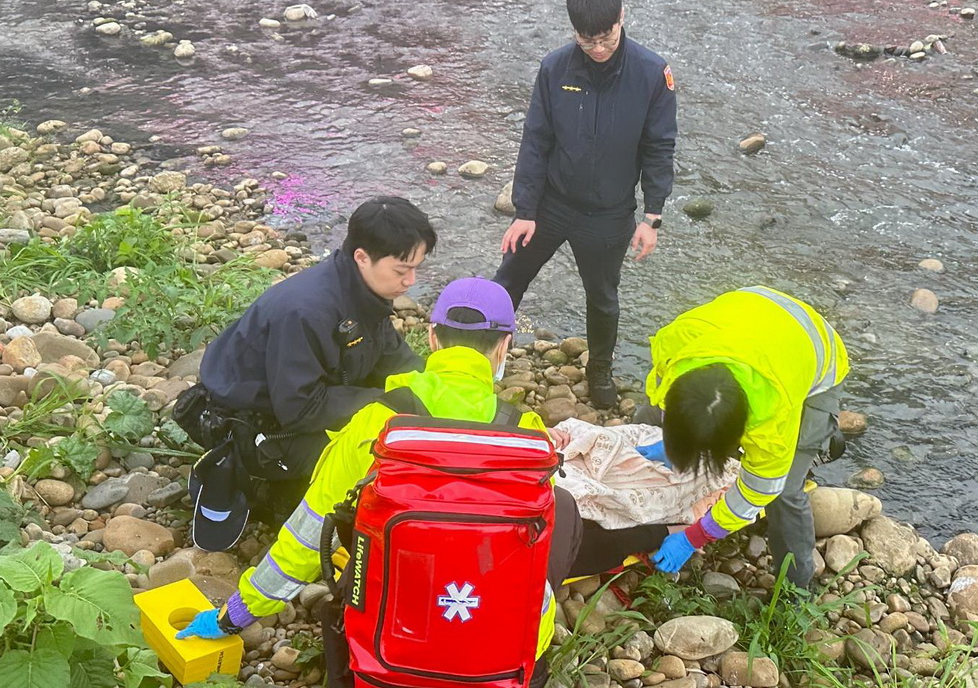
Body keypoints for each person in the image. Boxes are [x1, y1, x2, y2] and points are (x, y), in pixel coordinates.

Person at [176, 278, 667, 687]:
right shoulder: (529, 436)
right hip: (502, 665)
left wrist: (232, 617)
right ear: (505, 348)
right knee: (561, 506)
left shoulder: (377, 423)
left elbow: (306, 539)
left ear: (432, 340)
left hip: (386, 660)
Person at [178, 196, 436, 538]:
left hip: (300, 400)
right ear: (362, 257)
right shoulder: (306, 310)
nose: (410, 281)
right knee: (370, 461)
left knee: (411, 429)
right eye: (402, 270)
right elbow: (299, 408)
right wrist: (385, 404)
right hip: (257, 424)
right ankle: (257, 486)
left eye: (417, 269)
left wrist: (439, 394)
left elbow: (395, 360)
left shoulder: (364, 292)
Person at [493, 0, 678, 410]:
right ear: (573, 31)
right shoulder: (555, 68)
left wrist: (653, 216)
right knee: (507, 280)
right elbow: (536, 140)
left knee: (603, 296)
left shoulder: (652, 74)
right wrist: (525, 209)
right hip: (551, 203)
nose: (596, 48)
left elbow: (659, 146)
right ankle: (485, 356)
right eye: (586, 39)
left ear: (621, 18)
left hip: (609, 213)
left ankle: (599, 371)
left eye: (605, 37)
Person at [645, 286, 849, 588]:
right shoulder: (676, 349)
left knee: (787, 491)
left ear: (740, 433)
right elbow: (663, 398)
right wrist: (674, 440)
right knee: (644, 417)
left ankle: (794, 591)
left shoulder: (771, 418)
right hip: (753, 311)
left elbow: (759, 491)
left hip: (816, 352)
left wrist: (694, 537)